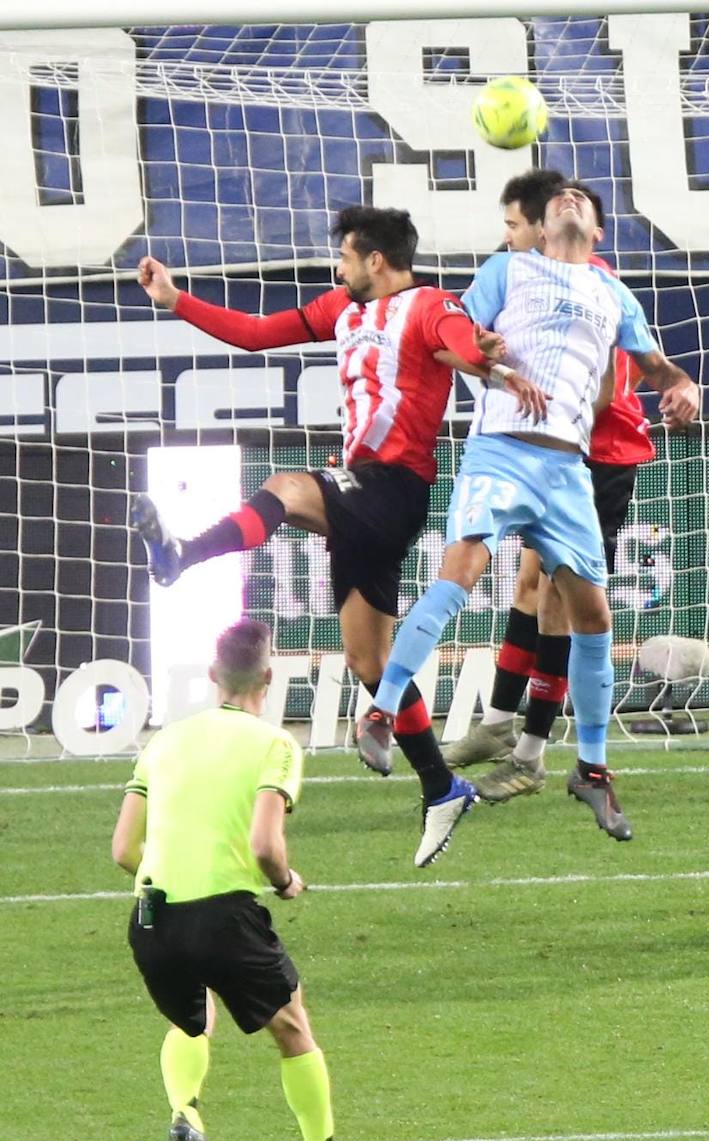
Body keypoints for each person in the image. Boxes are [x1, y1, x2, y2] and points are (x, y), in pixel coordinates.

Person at [131, 206, 544, 867]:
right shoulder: (341, 310)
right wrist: (176, 299)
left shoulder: (429, 303)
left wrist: (480, 355)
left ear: (376, 260)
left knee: (290, 488)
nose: (338, 267)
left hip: (394, 487)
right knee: (369, 664)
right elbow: (259, 332)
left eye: (346, 256)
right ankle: (441, 786)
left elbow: (459, 339)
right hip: (360, 491)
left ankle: (182, 555)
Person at [355, 180, 699, 851]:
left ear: (598, 230)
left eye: (582, 199)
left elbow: (657, 368)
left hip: (568, 468)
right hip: (501, 453)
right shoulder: (509, 269)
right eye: (558, 199)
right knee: (461, 575)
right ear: (541, 228)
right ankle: (381, 711)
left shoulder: (613, 294)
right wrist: (489, 362)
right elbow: (452, 336)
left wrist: (681, 386)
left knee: (593, 614)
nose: (569, 200)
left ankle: (592, 769)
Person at [112, 619, 359, 1141]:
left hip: (151, 918)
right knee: (294, 1027)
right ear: (268, 678)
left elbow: (123, 849)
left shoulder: (163, 741)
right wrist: (286, 880)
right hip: (224, 917)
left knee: (191, 1018)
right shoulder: (273, 745)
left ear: (211, 675)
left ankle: (185, 1116)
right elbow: (265, 846)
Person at [445, 169, 661, 804]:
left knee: (559, 601)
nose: (510, 239)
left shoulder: (597, 288)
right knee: (529, 586)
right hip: (554, 451)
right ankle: (498, 724)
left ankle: (531, 754)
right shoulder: (531, 279)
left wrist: (559, 427)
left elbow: (614, 386)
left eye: (514, 226)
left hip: (598, 454)